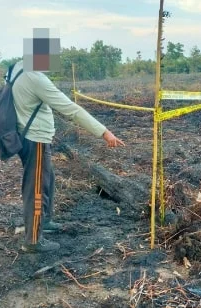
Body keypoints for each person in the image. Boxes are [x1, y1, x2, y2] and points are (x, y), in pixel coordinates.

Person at [8, 60, 125, 253]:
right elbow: (70, 109)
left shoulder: (18, 67)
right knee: (36, 188)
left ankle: (44, 221)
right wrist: (104, 132)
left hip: (29, 135)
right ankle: (33, 241)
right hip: (34, 139)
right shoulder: (36, 78)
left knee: (47, 181)